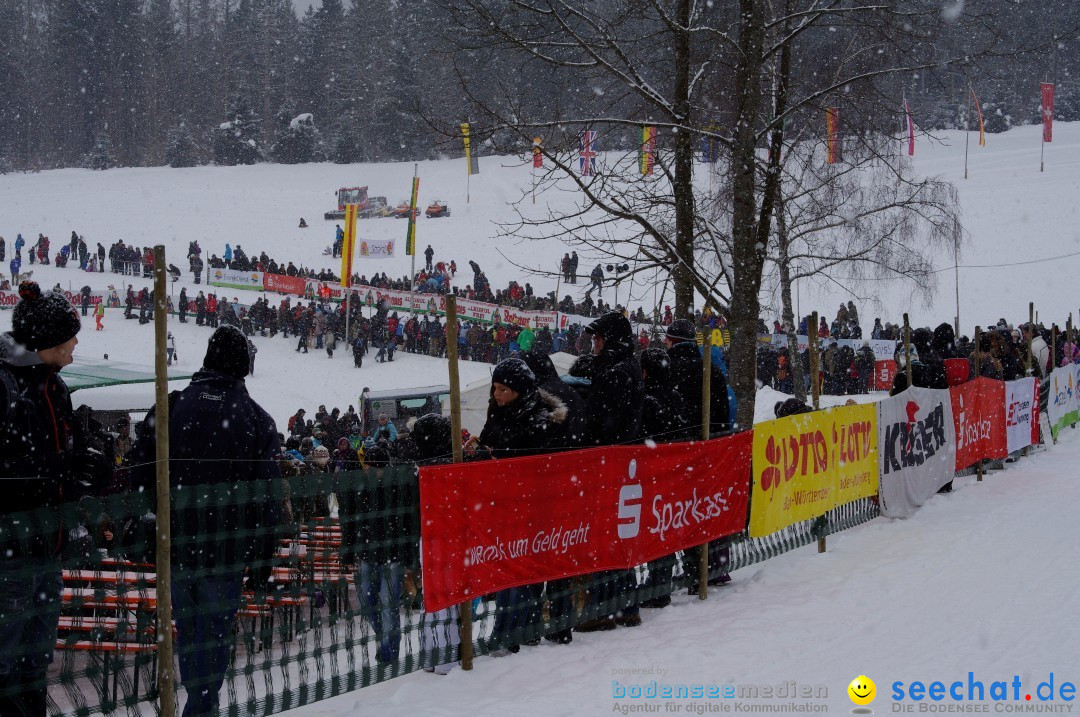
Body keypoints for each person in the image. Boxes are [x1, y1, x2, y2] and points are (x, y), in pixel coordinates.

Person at [129, 325, 283, 717]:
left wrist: (148, 523)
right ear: (243, 365)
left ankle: (200, 705)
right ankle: (201, 707)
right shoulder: (254, 418)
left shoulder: (172, 405)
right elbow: (267, 493)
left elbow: (138, 472)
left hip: (178, 542)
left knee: (192, 633)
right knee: (212, 635)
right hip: (226, 547)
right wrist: (265, 551)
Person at [0, 282, 110, 716]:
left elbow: (66, 458)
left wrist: (90, 468)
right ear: (47, 341)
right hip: (12, 549)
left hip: (49, 546)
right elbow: (22, 470)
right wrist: (55, 470)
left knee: (35, 663)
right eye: (70, 336)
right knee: (6, 661)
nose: (76, 343)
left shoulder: (55, 387)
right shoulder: (7, 387)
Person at [474, 358, 568, 654]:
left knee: (520, 570)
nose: (497, 395)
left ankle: (511, 632)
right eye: (495, 388)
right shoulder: (499, 412)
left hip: (532, 507)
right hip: (503, 505)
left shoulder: (539, 418)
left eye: (503, 389)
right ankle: (516, 630)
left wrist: (491, 455)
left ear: (519, 390)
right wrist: (480, 451)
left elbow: (527, 461)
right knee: (511, 569)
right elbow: (494, 447)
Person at [576, 311, 644, 631]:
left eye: (598, 339)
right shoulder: (622, 367)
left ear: (611, 340)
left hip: (608, 463)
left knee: (605, 537)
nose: (595, 345)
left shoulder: (617, 373)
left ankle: (603, 608)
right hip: (618, 462)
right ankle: (625, 604)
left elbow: (599, 420)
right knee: (616, 536)